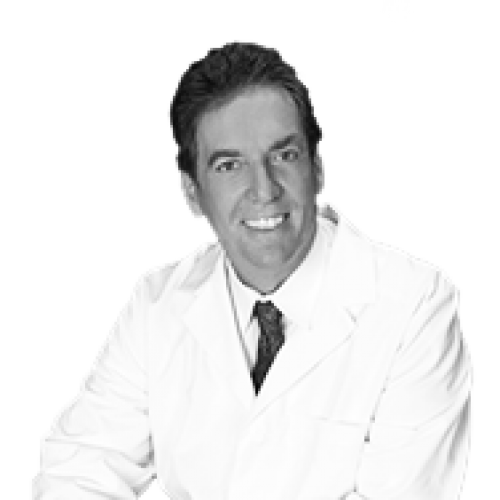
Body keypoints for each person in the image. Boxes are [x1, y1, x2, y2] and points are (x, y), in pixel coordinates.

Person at [32, 42, 472, 500]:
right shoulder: (157, 304)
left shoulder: (414, 304)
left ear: (318, 167)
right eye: (230, 165)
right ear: (192, 193)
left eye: (284, 155)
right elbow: (78, 473)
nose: (263, 190)